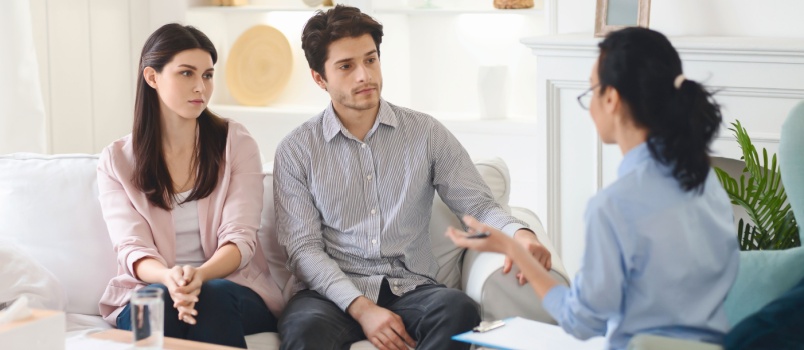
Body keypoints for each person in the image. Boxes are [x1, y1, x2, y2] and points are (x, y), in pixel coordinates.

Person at [273, 5, 552, 350]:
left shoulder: (425, 133)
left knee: (459, 309)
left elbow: (477, 204)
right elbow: (303, 249)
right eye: (346, 66)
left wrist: (520, 235)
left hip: (411, 289)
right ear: (319, 78)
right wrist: (362, 309)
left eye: (370, 59)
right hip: (330, 295)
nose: (364, 75)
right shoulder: (296, 150)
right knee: (303, 331)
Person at [447, 27, 740, 350]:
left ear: (611, 98)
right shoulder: (706, 183)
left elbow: (580, 321)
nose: (590, 107)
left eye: (591, 92)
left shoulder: (615, 205)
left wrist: (514, 250)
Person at [96, 23, 283, 348]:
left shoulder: (235, 143)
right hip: (151, 288)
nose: (201, 87)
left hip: (232, 288)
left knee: (211, 295)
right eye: (186, 74)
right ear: (152, 77)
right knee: (154, 302)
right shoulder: (116, 161)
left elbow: (240, 238)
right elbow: (132, 248)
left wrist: (199, 276)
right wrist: (171, 279)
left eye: (208, 75)